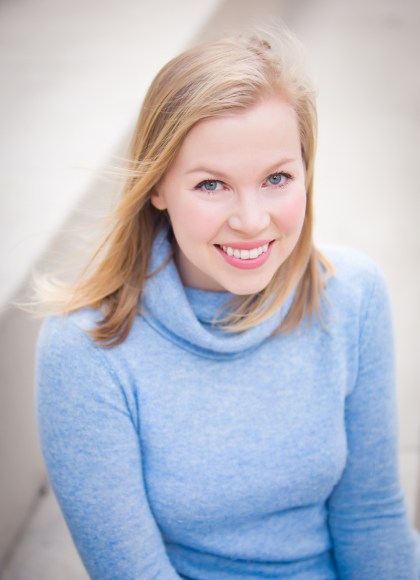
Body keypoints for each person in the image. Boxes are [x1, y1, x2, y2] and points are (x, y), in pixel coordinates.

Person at [35, 29, 419, 579]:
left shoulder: (354, 295)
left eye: (277, 178)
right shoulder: (85, 351)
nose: (252, 220)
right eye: (212, 185)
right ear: (157, 186)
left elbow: (371, 518)